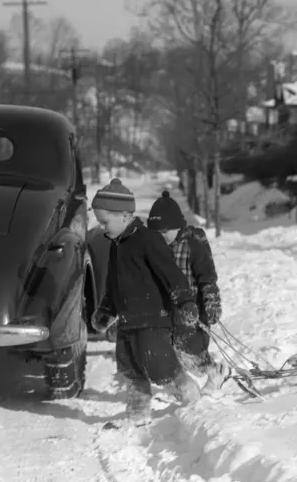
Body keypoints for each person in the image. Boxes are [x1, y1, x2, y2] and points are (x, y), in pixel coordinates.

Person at [90, 178, 202, 428]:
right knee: (130, 368)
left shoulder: (148, 239)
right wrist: (107, 310)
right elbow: (112, 285)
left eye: (104, 221)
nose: (102, 226)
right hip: (128, 322)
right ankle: (137, 414)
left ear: (125, 215)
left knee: (159, 364)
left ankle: (191, 398)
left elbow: (170, 273)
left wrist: (185, 300)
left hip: (152, 318)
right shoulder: (116, 247)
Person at [147, 190, 232, 393]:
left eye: (165, 232)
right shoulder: (154, 249)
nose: (161, 237)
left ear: (178, 226)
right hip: (164, 312)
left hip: (192, 312)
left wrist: (211, 302)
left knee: (191, 351)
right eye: (156, 233)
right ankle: (179, 386)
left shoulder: (192, 246)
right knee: (166, 351)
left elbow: (208, 278)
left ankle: (216, 372)